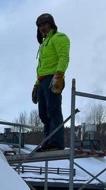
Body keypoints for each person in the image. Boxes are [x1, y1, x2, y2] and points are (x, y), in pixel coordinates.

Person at [31, 13, 70, 151]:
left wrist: (59, 75)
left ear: (51, 24)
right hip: (42, 80)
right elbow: (41, 67)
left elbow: (63, 57)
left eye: (44, 24)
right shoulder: (43, 45)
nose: (42, 28)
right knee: (43, 114)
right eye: (39, 26)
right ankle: (48, 141)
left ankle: (56, 143)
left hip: (52, 78)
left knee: (53, 110)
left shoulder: (59, 38)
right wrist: (36, 85)